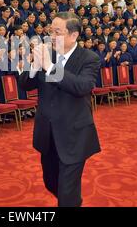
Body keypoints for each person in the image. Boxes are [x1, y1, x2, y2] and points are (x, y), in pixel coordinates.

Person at [18, 12, 101, 207]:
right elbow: (25, 85)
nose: (52, 36)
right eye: (50, 31)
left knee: (67, 193)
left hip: (74, 136)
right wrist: (35, 65)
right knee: (51, 182)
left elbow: (82, 86)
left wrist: (49, 66)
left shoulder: (89, 58)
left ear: (73, 35)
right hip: (48, 134)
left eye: (57, 32)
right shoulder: (47, 53)